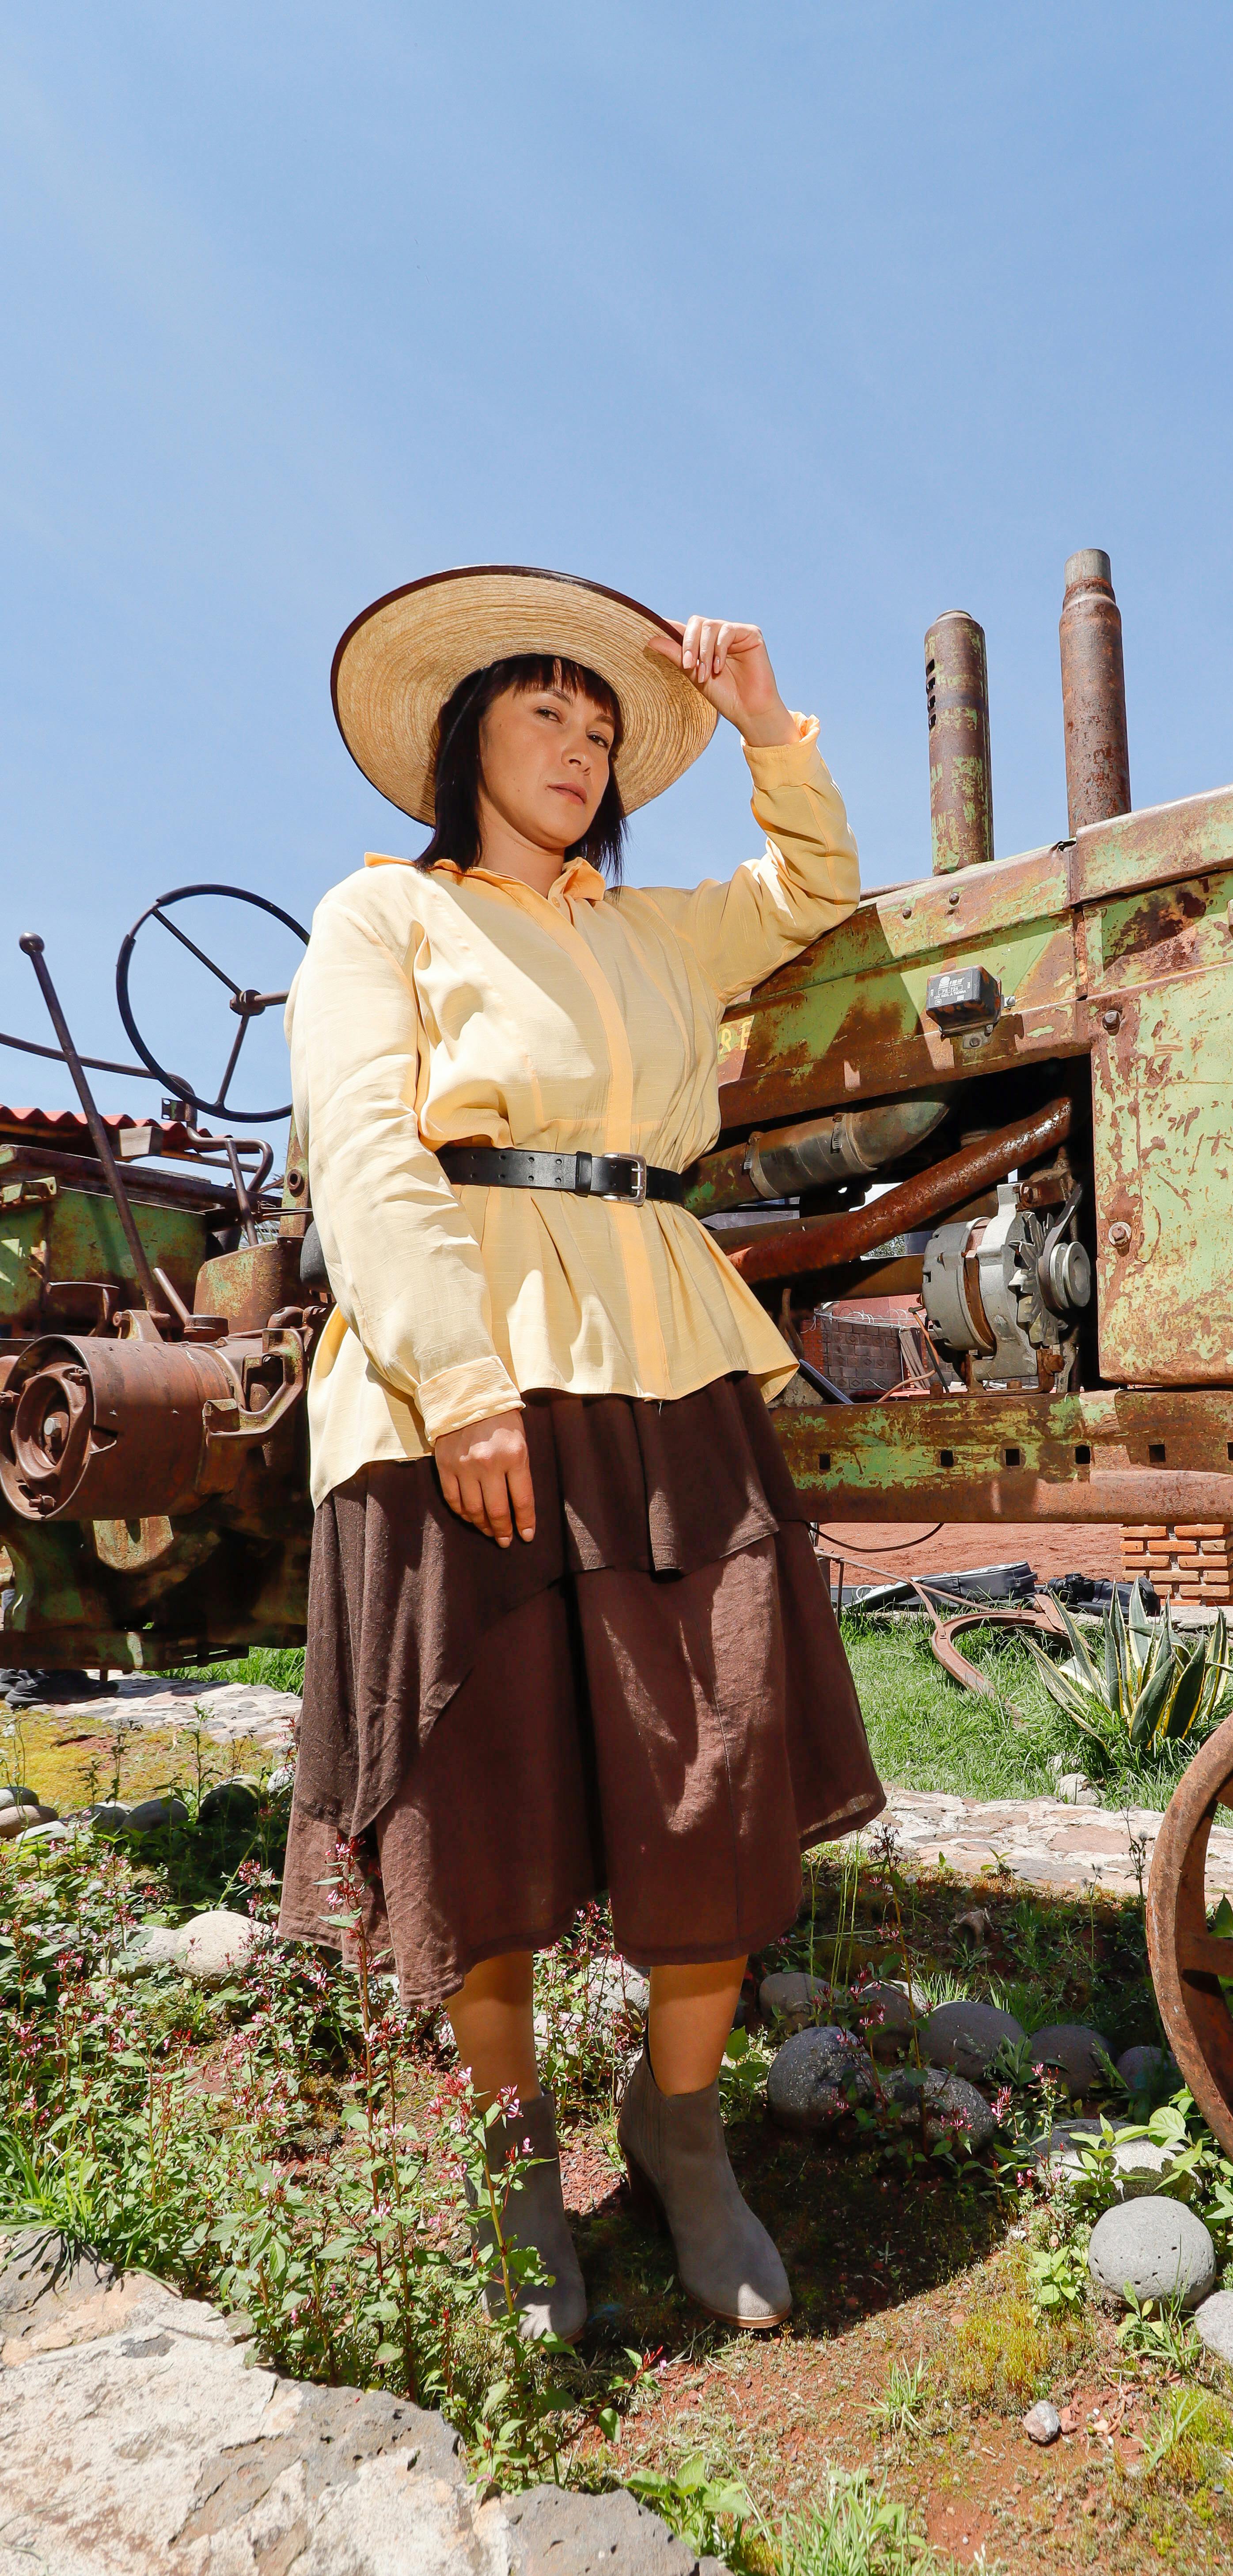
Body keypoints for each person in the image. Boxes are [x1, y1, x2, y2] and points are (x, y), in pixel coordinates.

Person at [277, 565, 884, 2340]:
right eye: (544, 711)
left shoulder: (652, 930)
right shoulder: (382, 914)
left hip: (669, 1356)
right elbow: (367, 1153)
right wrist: (459, 1384)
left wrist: (771, 729)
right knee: (489, 1800)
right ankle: (509, 2151)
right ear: (468, 740)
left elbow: (816, 890)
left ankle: (678, 2130)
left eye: (602, 722)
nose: (579, 741)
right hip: (458, 1377)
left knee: (721, 1760)